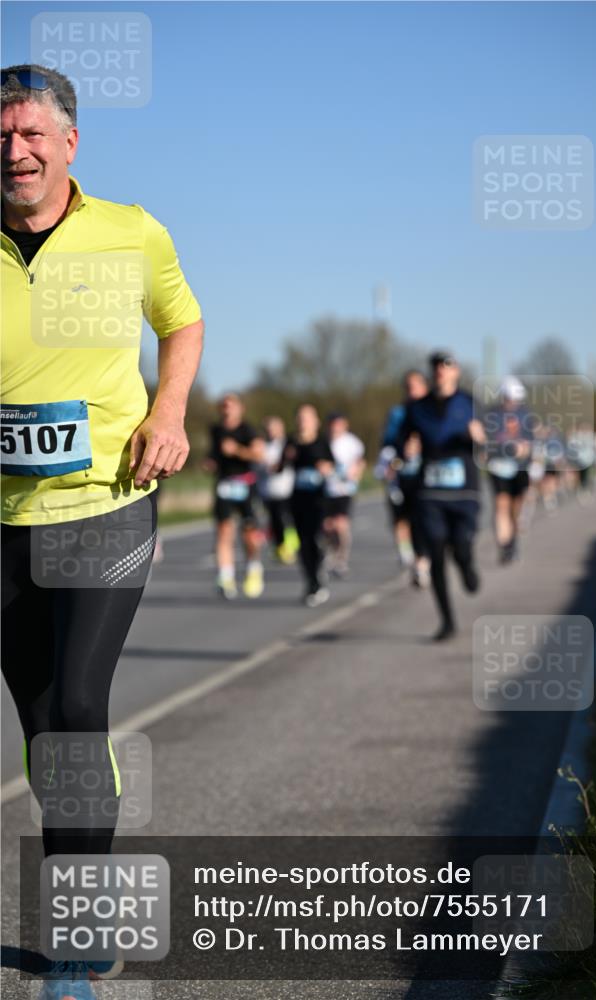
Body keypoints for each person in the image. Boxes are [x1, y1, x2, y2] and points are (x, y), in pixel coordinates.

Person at [0, 65, 203, 997]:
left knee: (82, 706)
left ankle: (79, 931)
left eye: (32, 134)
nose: (16, 151)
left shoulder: (131, 231)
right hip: (7, 519)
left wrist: (169, 412)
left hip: (106, 503)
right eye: (3, 136)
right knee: (44, 727)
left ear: (69, 143)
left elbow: (182, 322)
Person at [401, 351, 485, 640]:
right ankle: (447, 621)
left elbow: (489, 444)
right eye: (436, 365)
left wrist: (479, 439)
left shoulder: (470, 403)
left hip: (464, 490)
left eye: (446, 365)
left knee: (460, 546)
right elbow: (401, 441)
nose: (440, 369)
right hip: (430, 491)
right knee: (436, 553)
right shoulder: (417, 408)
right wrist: (406, 448)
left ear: (456, 371)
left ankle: (466, 566)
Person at [204, 394, 265, 599]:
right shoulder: (216, 430)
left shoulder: (248, 430)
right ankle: (225, 577)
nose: (227, 410)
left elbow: (259, 455)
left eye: (231, 406)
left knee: (249, 532)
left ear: (240, 409)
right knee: (224, 530)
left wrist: (237, 450)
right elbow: (213, 454)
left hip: (245, 483)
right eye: (224, 406)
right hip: (224, 483)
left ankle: (253, 567)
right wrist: (209, 463)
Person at [375, 369, 430, 586]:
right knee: (400, 518)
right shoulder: (398, 413)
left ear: (424, 387)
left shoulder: (432, 411)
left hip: (425, 476)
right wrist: (396, 457)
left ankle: (421, 564)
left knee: (422, 521)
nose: (411, 390)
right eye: (408, 387)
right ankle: (408, 556)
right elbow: (387, 443)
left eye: (415, 386)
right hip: (401, 476)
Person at [281, 403, 334, 607]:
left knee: (316, 538)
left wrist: (324, 468)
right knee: (302, 542)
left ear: (315, 421)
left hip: (318, 498)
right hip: (298, 498)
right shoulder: (291, 442)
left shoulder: (321, 441)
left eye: (306, 418)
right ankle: (311, 581)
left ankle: (318, 574)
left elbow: (331, 466)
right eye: (300, 418)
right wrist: (285, 459)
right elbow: (279, 468)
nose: (302, 422)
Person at [483, 376, 533, 564]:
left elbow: (531, 441)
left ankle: (513, 540)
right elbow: (486, 442)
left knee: (515, 507)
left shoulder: (525, 415)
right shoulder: (492, 415)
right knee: (501, 505)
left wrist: (524, 449)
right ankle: (504, 546)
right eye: (510, 397)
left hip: (520, 468)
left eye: (516, 398)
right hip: (498, 467)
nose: (513, 401)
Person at [323, 412, 366, 577]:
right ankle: (332, 552)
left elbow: (360, 462)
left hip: (345, 490)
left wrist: (356, 474)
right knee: (328, 526)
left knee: (341, 524)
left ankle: (342, 559)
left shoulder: (352, 443)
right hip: (327, 489)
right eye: (333, 424)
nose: (335, 428)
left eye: (338, 424)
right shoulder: (324, 441)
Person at [257, 415, 298, 564]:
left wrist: (279, 464)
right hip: (268, 491)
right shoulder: (262, 445)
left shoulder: (288, 444)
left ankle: (290, 546)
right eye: (268, 428)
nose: (271, 431)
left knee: (286, 521)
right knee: (273, 522)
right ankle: (280, 547)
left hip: (285, 489)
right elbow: (258, 464)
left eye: (274, 428)